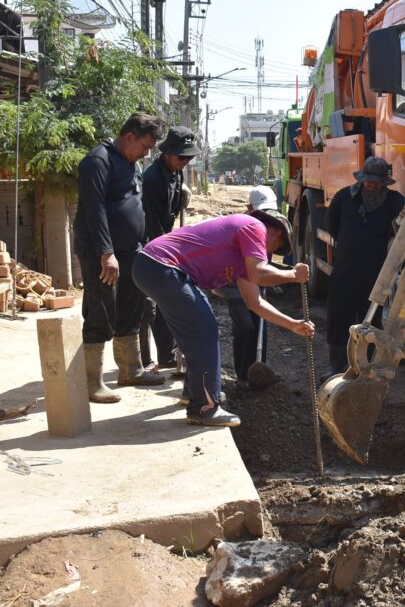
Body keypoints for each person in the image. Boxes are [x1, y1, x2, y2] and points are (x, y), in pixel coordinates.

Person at [132, 211, 315, 427]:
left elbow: (254, 303)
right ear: (275, 232)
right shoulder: (254, 226)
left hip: (158, 268)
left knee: (201, 327)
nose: (267, 254)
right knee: (204, 330)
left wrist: (292, 324)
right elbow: (260, 274)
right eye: (274, 249)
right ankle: (204, 408)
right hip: (161, 265)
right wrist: (293, 275)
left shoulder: (242, 258)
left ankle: (194, 392)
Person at [74, 113, 166, 403]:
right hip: (102, 253)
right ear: (129, 137)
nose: (147, 153)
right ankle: (93, 383)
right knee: (101, 308)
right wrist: (106, 252)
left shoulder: (131, 164)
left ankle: (130, 369)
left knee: (132, 307)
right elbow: (94, 209)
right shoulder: (97, 161)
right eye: (145, 146)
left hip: (131, 251)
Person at [325, 156, 405, 375]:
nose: (370, 184)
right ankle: (336, 364)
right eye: (368, 180)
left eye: (375, 181)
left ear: (383, 182)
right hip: (345, 270)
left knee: (370, 320)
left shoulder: (395, 201)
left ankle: (366, 367)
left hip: (375, 274)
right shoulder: (344, 197)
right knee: (339, 315)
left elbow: (403, 231)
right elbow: (332, 225)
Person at [139, 127, 199, 372]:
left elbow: (169, 217)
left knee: (166, 300)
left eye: (188, 158)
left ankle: (167, 354)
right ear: (168, 154)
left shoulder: (176, 174)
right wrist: (164, 253)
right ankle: (143, 361)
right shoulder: (152, 180)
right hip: (147, 246)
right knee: (146, 306)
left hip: (164, 242)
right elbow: (151, 221)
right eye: (181, 158)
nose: (185, 162)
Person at [211, 185, 278, 383]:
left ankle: (259, 371)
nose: (266, 215)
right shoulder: (243, 228)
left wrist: (263, 283)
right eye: (261, 211)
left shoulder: (273, 227)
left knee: (260, 324)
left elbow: (265, 262)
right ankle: (242, 374)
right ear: (250, 207)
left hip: (252, 282)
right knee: (244, 325)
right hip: (231, 284)